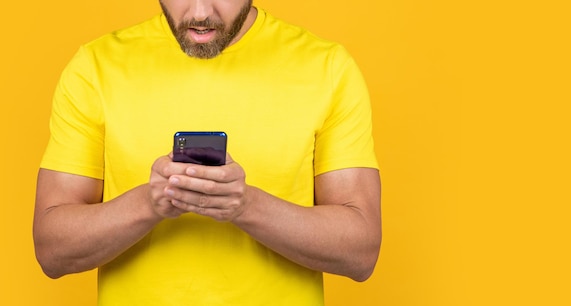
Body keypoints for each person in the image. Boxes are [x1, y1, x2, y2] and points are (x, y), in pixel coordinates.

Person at [33, 0, 381, 305]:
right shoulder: (95, 67)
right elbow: (52, 250)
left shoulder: (328, 68)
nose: (200, 13)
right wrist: (149, 203)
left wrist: (245, 205)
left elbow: (360, 252)